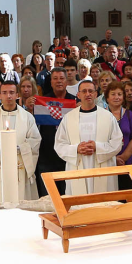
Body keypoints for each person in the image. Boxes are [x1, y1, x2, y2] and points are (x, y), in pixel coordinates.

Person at [54, 80, 123, 195]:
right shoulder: (68, 118)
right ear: (78, 95)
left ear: (96, 94)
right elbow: (59, 144)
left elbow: (117, 142)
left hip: (102, 167)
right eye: (84, 91)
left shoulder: (107, 116)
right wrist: (76, 149)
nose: (88, 94)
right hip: (77, 167)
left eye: (91, 91)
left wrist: (98, 147)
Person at [0, 80, 41, 202]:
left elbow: (35, 139)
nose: (8, 96)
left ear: (17, 95)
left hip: (20, 166)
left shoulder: (27, 117)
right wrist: (2, 147)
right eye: (5, 93)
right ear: (0, 95)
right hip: (0, 167)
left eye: (12, 92)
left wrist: (20, 148)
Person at [34, 67, 77, 196]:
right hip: (47, 157)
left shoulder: (75, 102)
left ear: (67, 82)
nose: (58, 81)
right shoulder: (42, 102)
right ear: (51, 82)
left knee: (68, 196)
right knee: (48, 198)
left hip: (68, 157)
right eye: (55, 78)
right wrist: (31, 109)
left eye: (61, 78)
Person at [106, 81, 132, 171]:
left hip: (126, 163)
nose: (116, 97)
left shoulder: (129, 114)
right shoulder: (101, 115)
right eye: (113, 94)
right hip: (107, 162)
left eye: (119, 94)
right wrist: (113, 159)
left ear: (123, 98)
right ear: (107, 98)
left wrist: (123, 158)